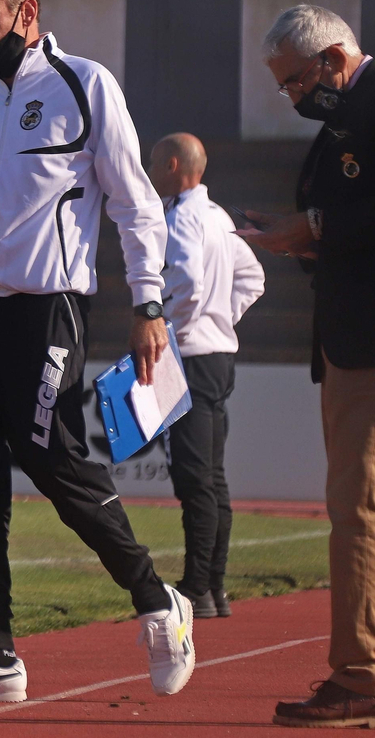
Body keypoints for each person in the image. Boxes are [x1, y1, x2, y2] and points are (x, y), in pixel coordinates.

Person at [0, 0, 195, 702]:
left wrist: (149, 303)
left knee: (50, 456)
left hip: (48, 307)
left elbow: (135, 204)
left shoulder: (85, 86)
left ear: (26, 14)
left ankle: (159, 600)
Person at [248, 5, 375, 728]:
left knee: (354, 510)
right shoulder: (342, 120)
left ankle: (359, 673)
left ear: (332, 58)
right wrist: (298, 237)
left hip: (366, 340)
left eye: (295, 81)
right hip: (348, 334)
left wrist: (315, 229)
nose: (291, 96)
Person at [148, 132, 265, 620]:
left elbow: (189, 284)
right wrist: (221, 319)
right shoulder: (219, 217)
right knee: (211, 477)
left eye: (155, 163)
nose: (150, 172)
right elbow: (252, 278)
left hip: (191, 356)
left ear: (174, 165)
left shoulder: (181, 217)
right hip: (218, 355)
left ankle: (198, 585)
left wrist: (171, 330)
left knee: (194, 477)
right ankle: (212, 586)